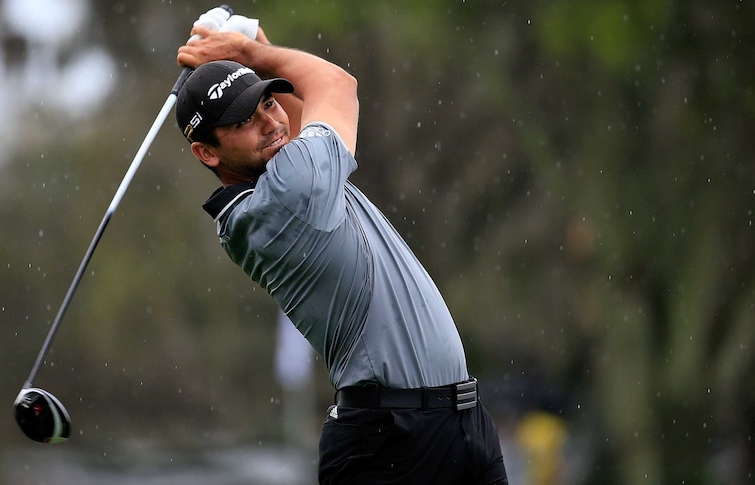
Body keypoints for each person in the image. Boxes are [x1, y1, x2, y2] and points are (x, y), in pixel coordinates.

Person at [175, 13, 509, 485]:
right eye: (244, 120)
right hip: (390, 444)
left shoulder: (281, 174)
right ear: (207, 153)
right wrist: (250, 52)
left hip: (460, 423)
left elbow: (294, 115)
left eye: (268, 102)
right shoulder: (287, 194)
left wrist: (251, 49)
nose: (270, 122)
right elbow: (335, 84)